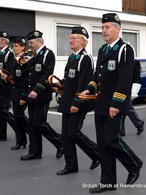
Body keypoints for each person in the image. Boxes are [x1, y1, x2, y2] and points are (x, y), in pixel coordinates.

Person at [81, 13, 143, 193]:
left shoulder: (125, 49)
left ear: (118, 28)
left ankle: (134, 164)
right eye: (102, 27)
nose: (104, 30)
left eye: (108, 27)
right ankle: (108, 182)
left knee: (111, 140)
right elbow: (97, 76)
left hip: (115, 105)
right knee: (103, 145)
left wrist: (115, 104)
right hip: (101, 104)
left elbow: (124, 80)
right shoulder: (103, 50)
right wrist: (89, 88)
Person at [55, 27, 99, 175]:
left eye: (74, 38)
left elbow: (83, 83)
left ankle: (96, 152)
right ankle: (71, 166)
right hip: (67, 101)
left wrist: (76, 103)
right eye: (70, 37)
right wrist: (60, 85)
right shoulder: (72, 57)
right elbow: (70, 79)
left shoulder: (84, 58)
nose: (70, 40)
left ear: (83, 40)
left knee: (74, 132)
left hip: (78, 102)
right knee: (66, 135)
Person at [20, 30, 63, 160]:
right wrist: (21, 61)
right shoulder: (31, 55)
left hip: (41, 94)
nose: (30, 45)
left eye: (31, 42)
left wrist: (36, 90)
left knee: (39, 123)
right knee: (32, 124)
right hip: (31, 93)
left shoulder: (47, 54)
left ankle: (60, 142)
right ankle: (35, 152)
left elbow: (47, 74)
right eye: (29, 43)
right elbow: (25, 74)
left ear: (39, 41)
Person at [0, 31, 18, 143]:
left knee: (2, 109)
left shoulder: (9, 54)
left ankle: (18, 127)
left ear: (4, 41)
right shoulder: (0, 53)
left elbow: (8, 72)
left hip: (5, 87)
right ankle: (1, 134)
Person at [9, 37, 29, 150]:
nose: (14, 48)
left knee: (20, 115)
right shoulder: (15, 59)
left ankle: (33, 133)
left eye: (17, 46)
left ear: (23, 47)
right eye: (13, 46)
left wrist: (24, 96)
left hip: (22, 91)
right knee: (17, 117)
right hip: (15, 91)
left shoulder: (25, 59)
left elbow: (27, 79)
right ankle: (21, 141)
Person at [121, 59, 144, 136]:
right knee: (121, 108)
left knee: (127, 108)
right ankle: (121, 130)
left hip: (128, 87)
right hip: (118, 87)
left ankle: (139, 123)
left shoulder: (134, 62)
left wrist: (134, 90)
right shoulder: (118, 59)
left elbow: (137, 76)